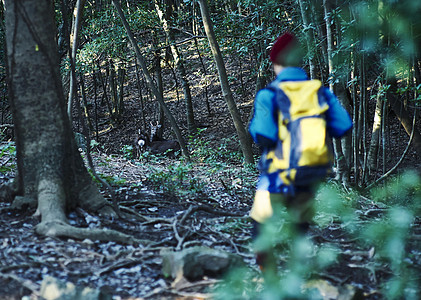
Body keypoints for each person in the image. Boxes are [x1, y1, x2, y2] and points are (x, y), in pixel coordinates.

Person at [248, 32, 352, 270]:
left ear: (275, 62)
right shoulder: (321, 92)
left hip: (277, 176)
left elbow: (263, 136)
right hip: (311, 174)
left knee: (260, 224)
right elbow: (344, 126)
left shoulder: (270, 95)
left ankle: (269, 276)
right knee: (300, 226)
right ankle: (297, 275)